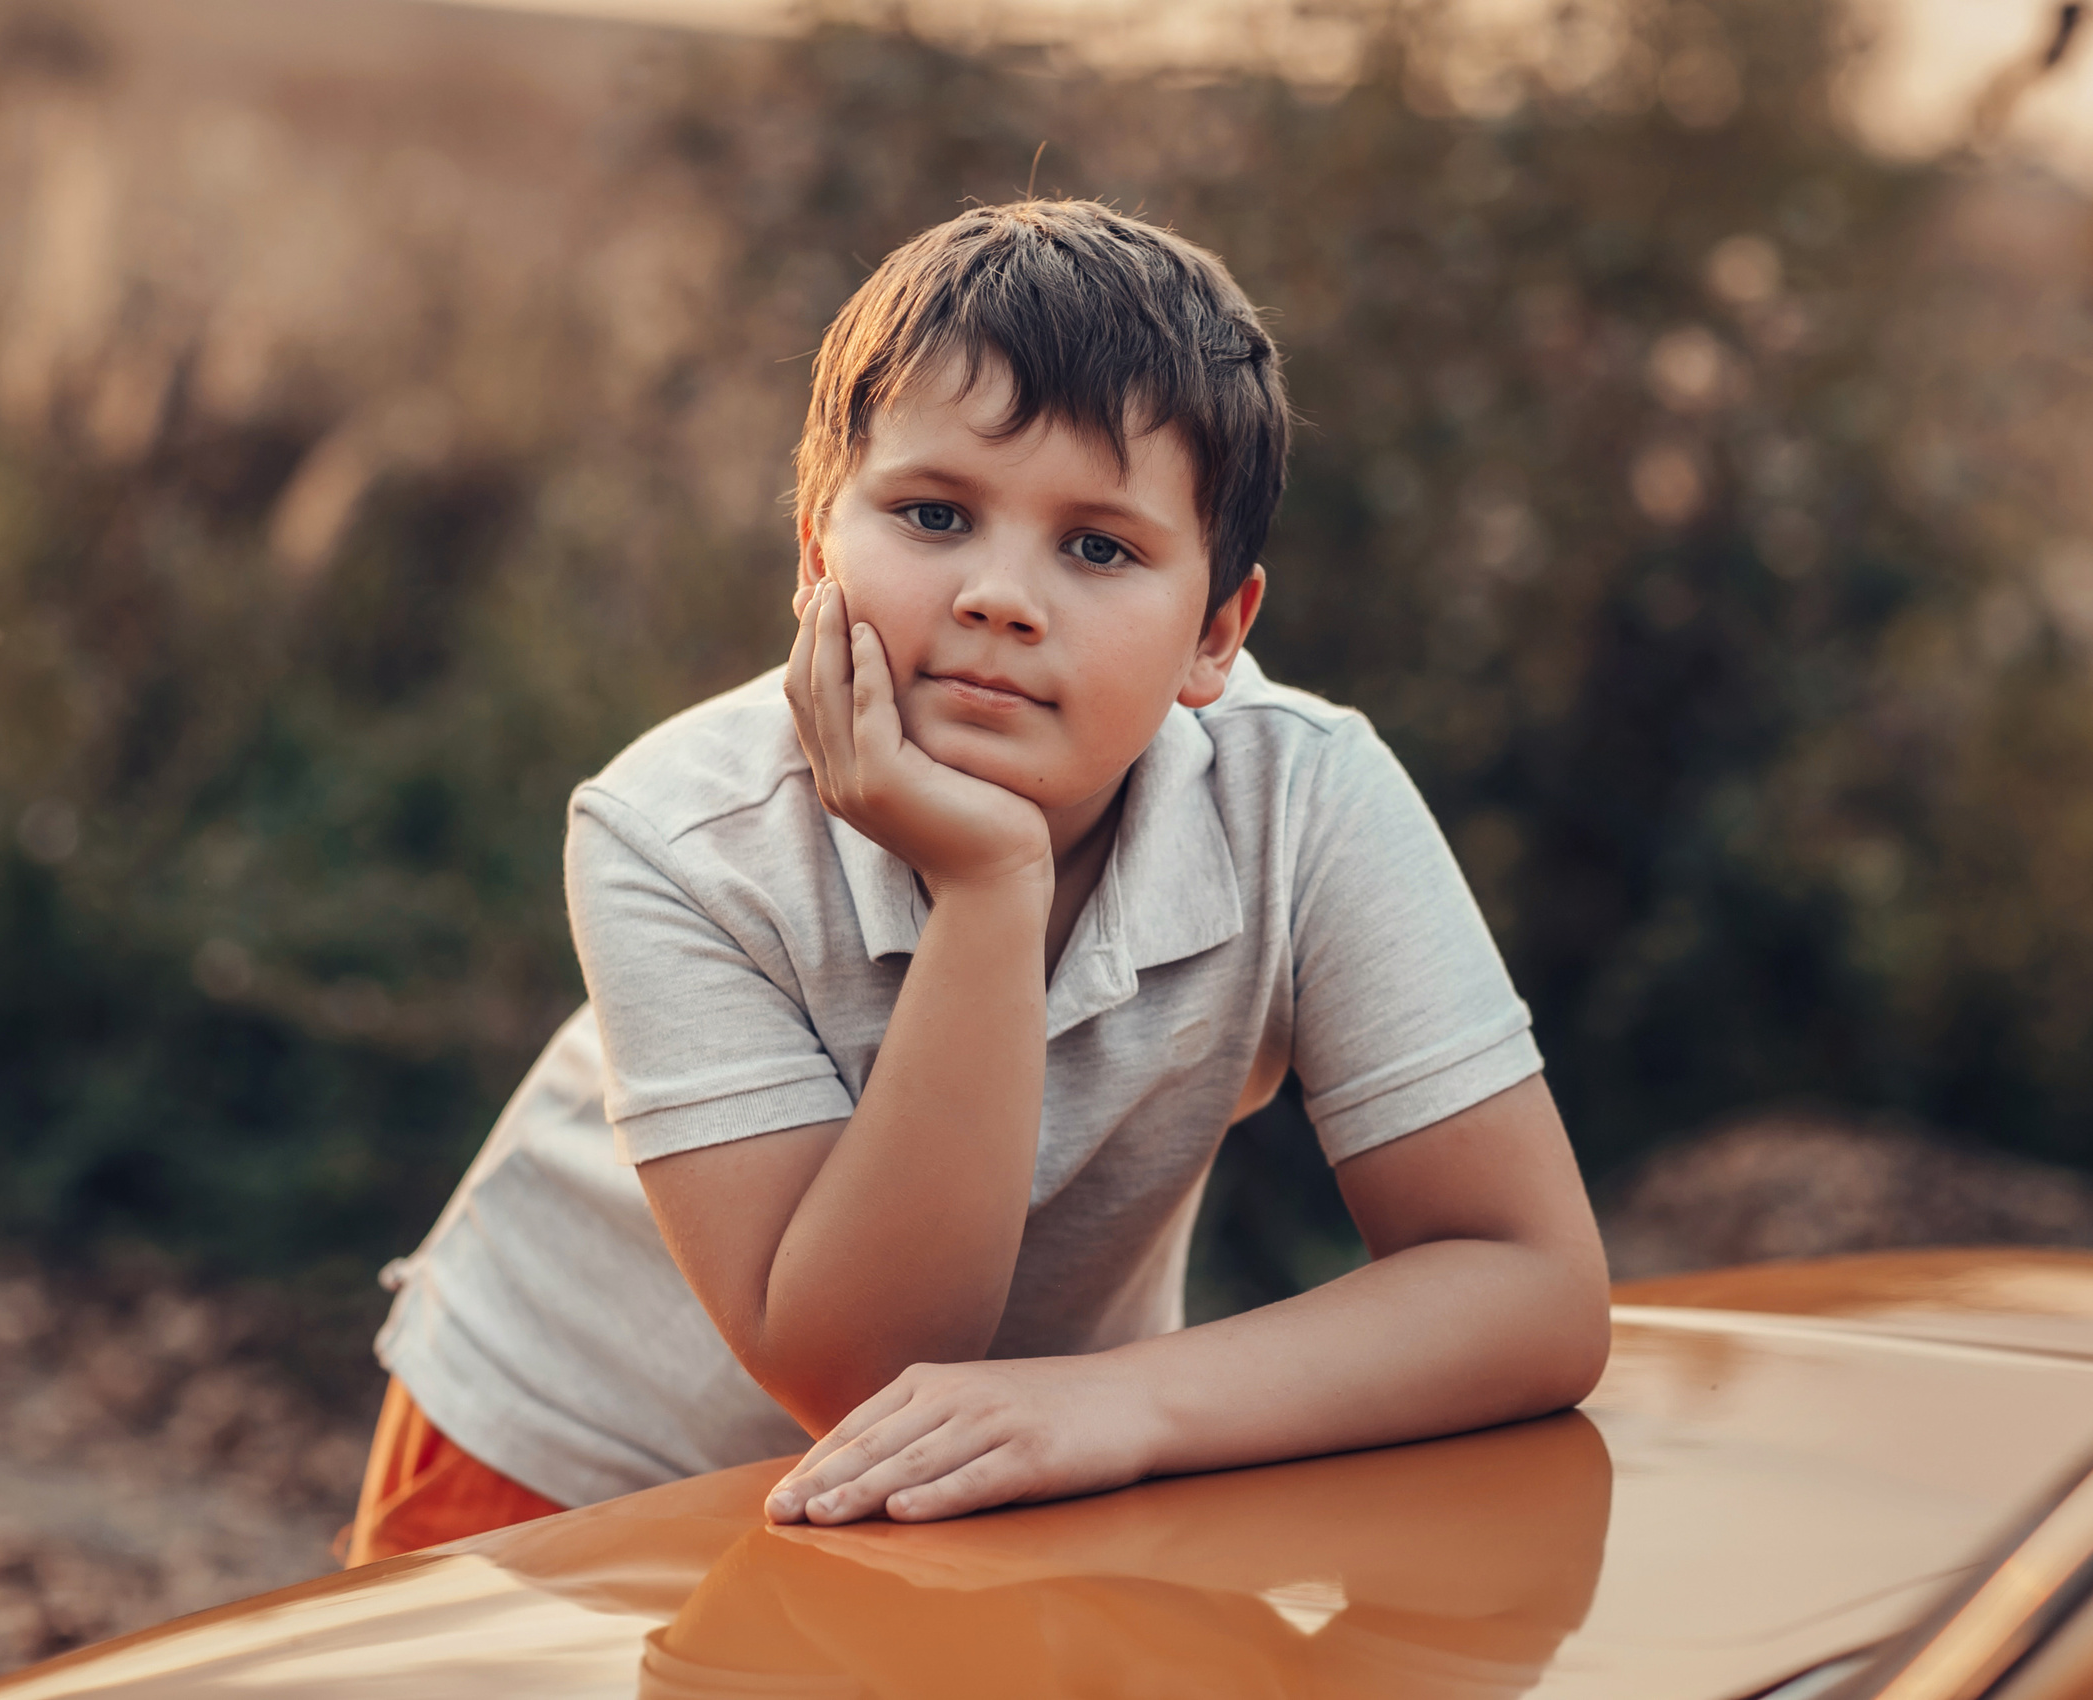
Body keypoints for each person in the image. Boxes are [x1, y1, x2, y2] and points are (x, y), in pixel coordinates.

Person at [346, 199, 1607, 1565]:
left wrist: (1117, 1404)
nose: (1002, 595)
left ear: (1217, 633)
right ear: (818, 554)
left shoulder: (1301, 799)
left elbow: (1531, 1286)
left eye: (1100, 547)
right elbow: (860, 1371)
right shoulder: (673, 831)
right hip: (573, 1474)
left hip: (1015, 1466)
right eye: (935, 513)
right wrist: (993, 885)